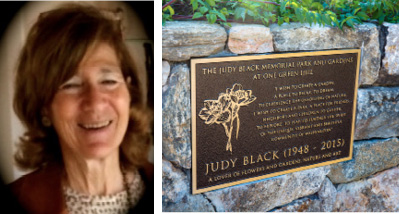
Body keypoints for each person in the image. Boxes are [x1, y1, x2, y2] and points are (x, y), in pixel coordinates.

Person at [9, 3, 153, 213]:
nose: (95, 102)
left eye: (109, 81)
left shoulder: (167, 186)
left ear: (129, 91)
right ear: (44, 108)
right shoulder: (21, 197)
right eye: (70, 85)